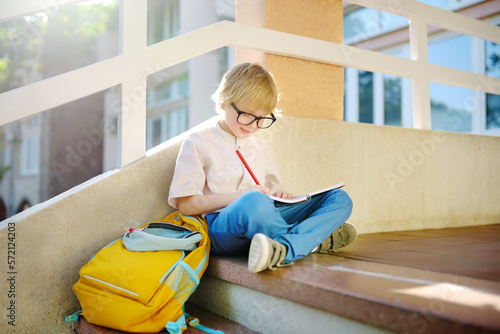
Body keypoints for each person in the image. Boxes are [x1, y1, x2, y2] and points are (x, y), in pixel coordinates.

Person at [168, 62, 355, 273]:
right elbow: (187, 205)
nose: (253, 125)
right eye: (247, 114)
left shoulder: (262, 148)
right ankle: (309, 242)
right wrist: (244, 196)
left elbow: (269, 200)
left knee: (340, 199)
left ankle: (285, 247)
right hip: (220, 228)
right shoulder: (198, 142)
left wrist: (280, 196)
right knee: (253, 202)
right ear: (223, 103)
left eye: (261, 118)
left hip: (263, 217)